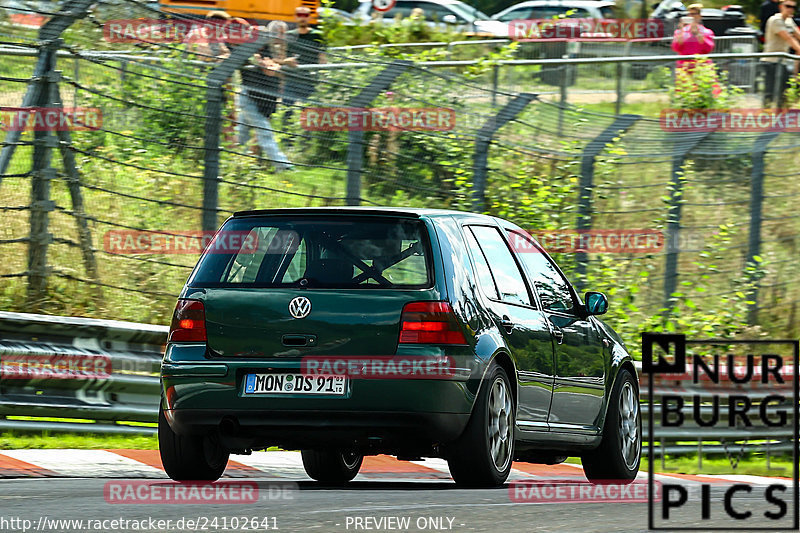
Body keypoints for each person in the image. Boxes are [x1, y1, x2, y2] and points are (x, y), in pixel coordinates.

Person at [237, 21, 292, 171]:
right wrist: (265, 64)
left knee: (241, 136)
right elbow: (263, 65)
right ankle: (283, 165)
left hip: (261, 99)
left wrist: (274, 64)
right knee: (265, 132)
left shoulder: (267, 50)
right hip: (248, 98)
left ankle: (234, 161)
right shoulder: (246, 51)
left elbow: (272, 65)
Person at [282, 6, 326, 126]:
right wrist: (286, 61)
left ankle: (306, 143)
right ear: (295, 17)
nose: (302, 18)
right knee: (286, 114)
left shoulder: (317, 35)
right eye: (299, 15)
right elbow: (280, 58)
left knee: (310, 116)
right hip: (291, 81)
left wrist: (323, 80)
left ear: (310, 17)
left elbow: (323, 58)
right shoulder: (288, 35)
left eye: (305, 15)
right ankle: (287, 143)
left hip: (310, 81)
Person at [762, 0, 800, 106]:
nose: (790, 9)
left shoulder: (789, 20)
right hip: (771, 61)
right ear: (781, 7)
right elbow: (789, 38)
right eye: (788, 6)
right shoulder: (775, 20)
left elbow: (798, 35)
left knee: (783, 92)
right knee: (770, 93)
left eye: (793, 7)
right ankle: (766, 117)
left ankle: (781, 117)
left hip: (782, 61)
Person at [671, 3, 715, 68]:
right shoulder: (680, 31)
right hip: (684, 67)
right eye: (689, 14)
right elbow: (676, 48)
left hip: (702, 67)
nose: (691, 16)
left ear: (700, 16)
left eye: (694, 14)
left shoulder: (707, 32)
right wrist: (681, 31)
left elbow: (708, 48)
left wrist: (698, 34)